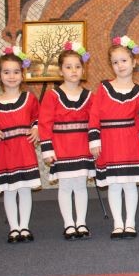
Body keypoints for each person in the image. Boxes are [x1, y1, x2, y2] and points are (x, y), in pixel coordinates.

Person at [89, 36, 139, 239]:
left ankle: (130, 223)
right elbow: (95, 115)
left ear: (134, 62)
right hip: (110, 141)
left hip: (130, 141)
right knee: (114, 184)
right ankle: (117, 223)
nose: (120, 65)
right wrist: (95, 140)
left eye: (124, 60)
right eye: (115, 62)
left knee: (130, 184)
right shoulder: (103, 88)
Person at [38, 43, 95, 240]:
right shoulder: (52, 96)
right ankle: (69, 224)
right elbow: (45, 123)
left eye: (77, 66)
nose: (73, 71)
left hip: (82, 147)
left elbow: (94, 122)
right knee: (65, 186)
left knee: (80, 185)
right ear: (61, 70)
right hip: (61, 148)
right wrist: (47, 149)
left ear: (83, 69)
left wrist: (95, 143)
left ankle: (81, 222)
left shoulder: (89, 96)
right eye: (68, 67)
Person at [0, 47, 41, 243]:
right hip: (6, 152)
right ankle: (13, 228)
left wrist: (36, 128)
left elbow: (38, 117)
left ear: (22, 74)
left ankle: (24, 227)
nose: (11, 76)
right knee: (9, 191)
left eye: (16, 72)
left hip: (24, 150)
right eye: (7, 72)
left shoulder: (29, 98)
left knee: (24, 189)